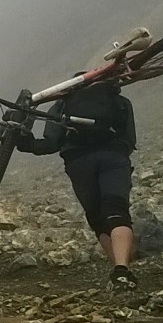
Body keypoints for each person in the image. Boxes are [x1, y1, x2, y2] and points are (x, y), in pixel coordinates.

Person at [11, 78, 138, 290]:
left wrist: (24, 143)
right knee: (117, 212)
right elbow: (130, 140)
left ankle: (116, 272)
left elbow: (50, 144)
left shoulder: (62, 104)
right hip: (114, 158)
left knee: (97, 218)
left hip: (79, 162)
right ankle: (122, 271)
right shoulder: (119, 101)